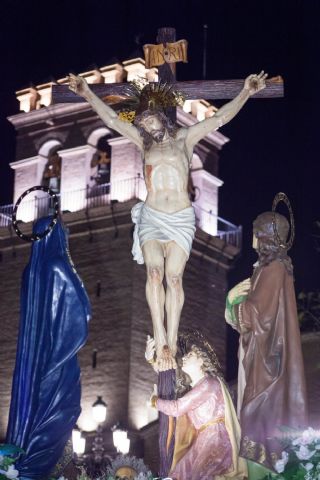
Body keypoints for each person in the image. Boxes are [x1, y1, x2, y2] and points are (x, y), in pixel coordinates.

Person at [69, 72, 267, 369]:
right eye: (144, 125)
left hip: (181, 219)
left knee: (173, 279)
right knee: (154, 275)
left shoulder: (185, 139)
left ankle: (171, 340)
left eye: (151, 121)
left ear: (163, 119)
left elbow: (218, 120)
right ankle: (160, 336)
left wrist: (245, 93)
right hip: (152, 216)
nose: (148, 127)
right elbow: (112, 121)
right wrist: (86, 93)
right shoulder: (144, 145)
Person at [6, 217, 91, 479]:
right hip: (57, 358)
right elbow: (83, 311)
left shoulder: (30, 271)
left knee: (40, 410)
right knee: (62, 409)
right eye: (62, 232)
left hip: (33, 363)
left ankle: (22, 464)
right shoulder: (57, 265)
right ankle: (33, 468)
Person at [225, 211, 308, 478]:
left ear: (265, 236)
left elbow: (256, 315)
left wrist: (232, 301)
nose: (252, 238)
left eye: (255, 232)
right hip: (265, 359)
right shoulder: (270, 269)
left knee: (256, 425)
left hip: (267, 367)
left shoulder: (274, 269)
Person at [147, 333, 248, 480]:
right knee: (178, 474)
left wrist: (155, 401)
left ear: (201, 361)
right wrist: (151, 359)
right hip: (202, 440)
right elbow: (169, 376)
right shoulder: (195, 388)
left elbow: (177, 408)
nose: (185, 358)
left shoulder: (209, 384)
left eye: (191, 355)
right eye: (186, 356)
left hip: (216, 441)